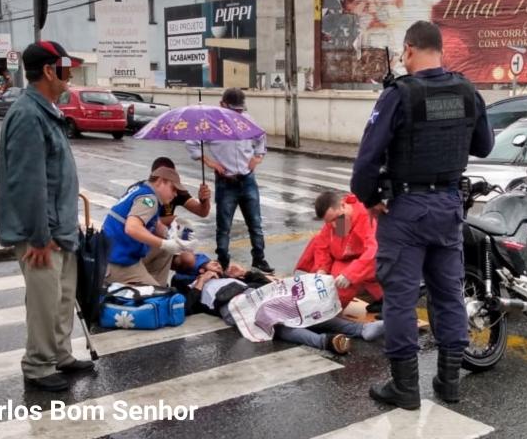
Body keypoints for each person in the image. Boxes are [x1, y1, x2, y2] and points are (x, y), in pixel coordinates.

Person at [350, 21, 494, 409]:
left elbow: (366, 162)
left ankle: (405, 388)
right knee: (448, 294)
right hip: (448, 207)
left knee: (399, 297)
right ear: (440, 49)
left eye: (402, 51)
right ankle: (449, 384)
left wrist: (368, 197)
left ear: (410, 49)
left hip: (406, 210)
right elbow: (484, 144)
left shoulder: (398, 95)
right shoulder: (467, 90)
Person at [0, 40, 91, 392]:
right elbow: (28, 182)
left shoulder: (46, 110)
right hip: (42, 235)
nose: (71, 75)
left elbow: (53, 176)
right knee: (43, 303)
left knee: (63, 298)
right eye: (67, 68)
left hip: (60, 228)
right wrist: (38, 235)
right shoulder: (27, 115)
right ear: (50, 70)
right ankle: (38, 365)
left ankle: (60, 356)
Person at [171, 255, 385, 354]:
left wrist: (246, 273)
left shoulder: (228, 276)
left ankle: (361, 330)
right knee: (278, 323)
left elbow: (265, 285)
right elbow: (187, 309)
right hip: (235, 306)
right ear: (199, 270)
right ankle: (325, 342)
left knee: (303, 310)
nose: (216, 262)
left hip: (253, 294)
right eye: (209, 262)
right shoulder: (192, 286)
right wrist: (201, 283)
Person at [186, 88, 274, 274]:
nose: (237, 114)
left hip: (247, 179)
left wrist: (257, 158)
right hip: (226, 182)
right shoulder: (211, 124)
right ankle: (223, 261)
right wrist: (210, 162)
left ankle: (259, 259)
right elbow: (192, 143)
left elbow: (261, 139)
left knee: (255, 224)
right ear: (222, 105)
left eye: (239, 111)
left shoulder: (247, 120)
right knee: (224, 226)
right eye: (233, 110)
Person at [103, 167, 196, 287]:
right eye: (173, 188)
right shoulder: (149, 199)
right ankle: (156, 290)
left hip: (112, 252)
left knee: (165, 251)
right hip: (118, 263)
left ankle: (156, 284)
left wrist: (171, 235)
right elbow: (132, 228)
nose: (175, 194)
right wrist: (164, 243)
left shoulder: (141, 189)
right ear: (161, 181)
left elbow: (153, 222)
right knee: (160, 298)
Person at [296, 192, 383, 311]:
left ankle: (383, 297)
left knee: (338, 290)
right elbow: (324, 245)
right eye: (329, 222)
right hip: (351, 259)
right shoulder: (340, 218)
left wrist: (350, 274)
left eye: (335, 219)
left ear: (343, 205)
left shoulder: (365, 217)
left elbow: (374, 251)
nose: (333, 225)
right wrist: (322, 268)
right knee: (316, 244)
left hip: (371, 261)